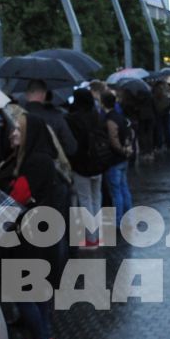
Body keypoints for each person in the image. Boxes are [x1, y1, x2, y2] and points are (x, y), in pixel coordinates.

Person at [0, 108, 70, 339]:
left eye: (19, 129)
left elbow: (17, 196)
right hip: (37, 236)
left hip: (30, 239)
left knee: (24, 293)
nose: (13, 132)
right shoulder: (36, 158)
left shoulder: (36, 161)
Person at [64, 84, 108, 248]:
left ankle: (91, 238)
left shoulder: (71, 118)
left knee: (85, 200)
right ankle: (98, 234)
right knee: (97, 198)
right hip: (98, 162)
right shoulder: (96, 115)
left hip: (81, 164)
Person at [100, 85, 137, 219]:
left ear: (102, 102)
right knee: (124, 188)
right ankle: (129, 215)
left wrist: (120, 150)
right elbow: (128, 133)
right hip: (123, 159)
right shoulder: (120, 117)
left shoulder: (109, 119)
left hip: (114, 159)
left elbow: (113, 140)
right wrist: (127, 150)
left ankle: (118, 220)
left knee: (116, 192)